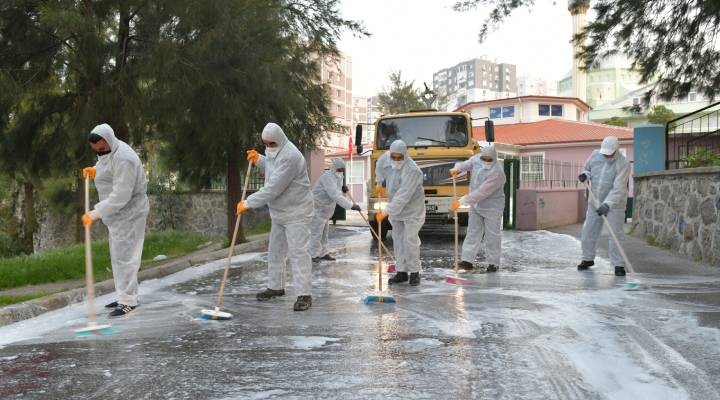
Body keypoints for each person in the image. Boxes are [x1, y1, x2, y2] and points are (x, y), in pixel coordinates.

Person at [236, 123, 315, 311]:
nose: (269, 147)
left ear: (280, 139)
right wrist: (259, 160)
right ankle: (276, 287)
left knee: (298, 253)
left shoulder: (291, 156)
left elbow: (273, 187)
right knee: (275, 251)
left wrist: (248, 202)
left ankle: (304, 294)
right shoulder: (275, 150)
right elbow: (273, 166)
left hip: (297, 212)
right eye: (265, 144)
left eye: (271, 144)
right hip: (279, 212)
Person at [81, 123, 149, 318]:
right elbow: (107, 165)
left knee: (126, 258)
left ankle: (129, 301)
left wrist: (95, 213)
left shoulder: (125, 158)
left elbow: (121, 195)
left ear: (109, 141)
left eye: (102, 150)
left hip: (130, 213)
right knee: (119, 257)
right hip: (117, 216)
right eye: (97, 152)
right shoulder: (111, 151)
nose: (100, 154)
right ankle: (124, 296)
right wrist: (95, 170)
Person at [576, 136, 630, 276]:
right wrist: (584, 175)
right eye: (605, 153)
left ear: (616, 151)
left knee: (615, 234)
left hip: (615, 204)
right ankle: (587, 259)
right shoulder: (595, 155)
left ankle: (618, 265)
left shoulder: (623, 163)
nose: (607, 156)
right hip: (595, 201)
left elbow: (619, 188)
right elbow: (587, 169)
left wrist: (608, 204)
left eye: (610, 153)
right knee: (588, 230)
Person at [375, 140, 425, 286]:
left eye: (399, 157)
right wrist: (379, 182)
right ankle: (401, 272)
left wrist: (385, 211)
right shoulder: (386, 157)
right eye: (393, 157)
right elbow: (379, 165)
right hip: (395, 207)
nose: (396, 160)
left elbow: (403, 196)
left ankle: (415, 272)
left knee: (410, 240)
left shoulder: (413, 170)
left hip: (412, 209)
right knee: (398, 240)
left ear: (405, 155)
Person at [450, 145, 506, 272]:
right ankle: (467, 261)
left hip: (492, 207)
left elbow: (482, 192)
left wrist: (462, 201)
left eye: (489, 159)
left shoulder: (497, 172)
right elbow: (469, 163)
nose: (486, 161)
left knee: (492, 236)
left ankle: (493, 263)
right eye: (484, 158)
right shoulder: (477, 159)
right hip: (476, 205)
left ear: (494, 158)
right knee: (473, 232)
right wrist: (457, 168)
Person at [309, 158, 361, 261]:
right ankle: (313, 255)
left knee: (324, 234)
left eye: (342, 170)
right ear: (333, 168)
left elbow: (339, 194)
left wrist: (344, 191)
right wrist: (351, 205)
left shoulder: (338, 178)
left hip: (325, 210)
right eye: (339, 170)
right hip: (317, 208)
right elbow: (335, 195)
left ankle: (323, 253)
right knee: (316, 233)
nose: (340, 172)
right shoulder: (327, 178)